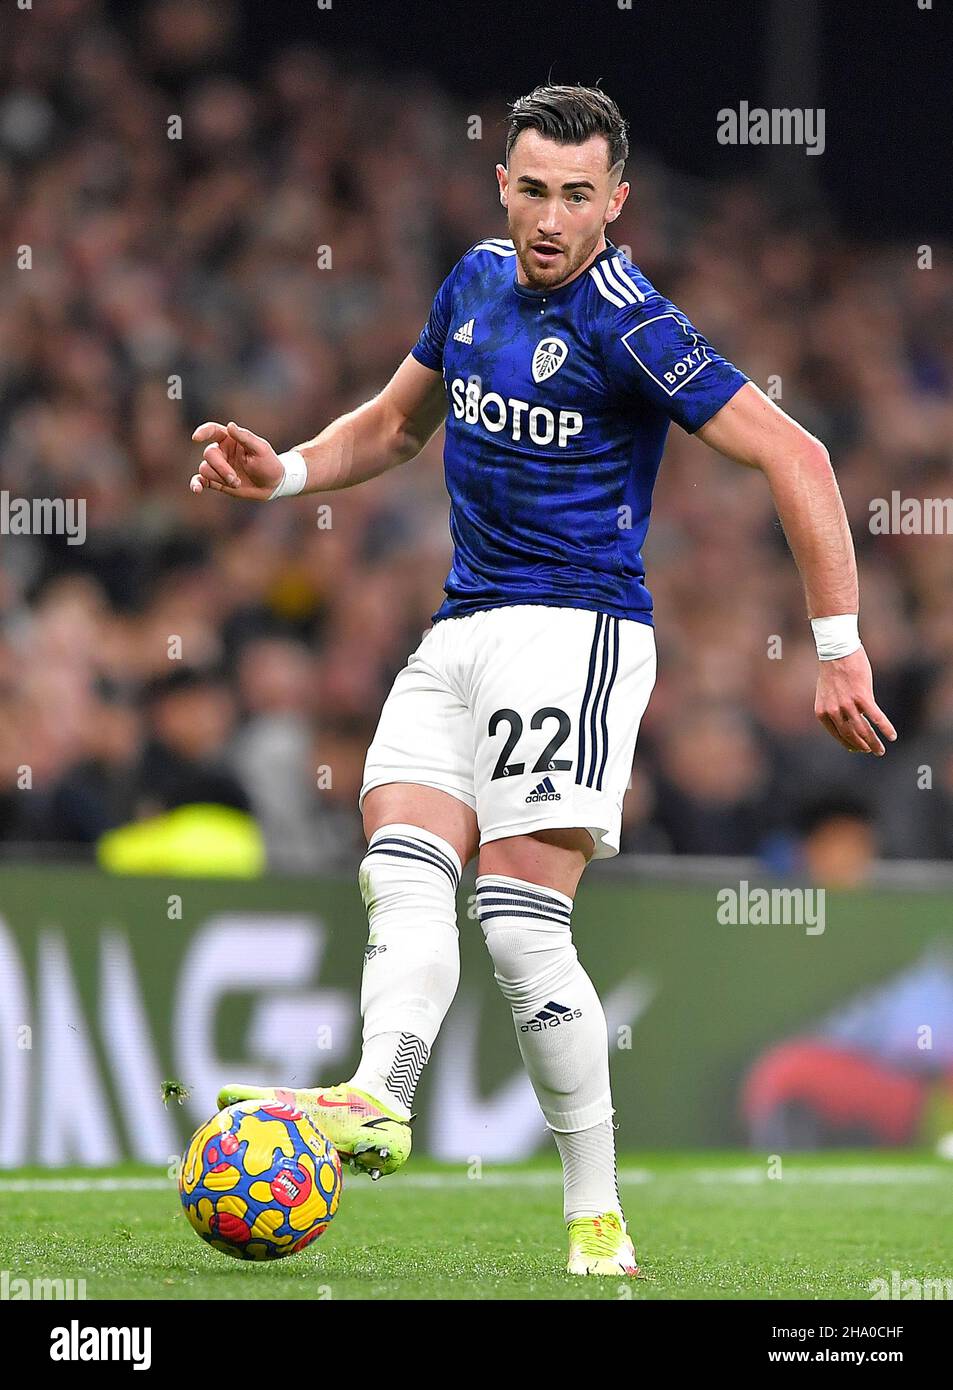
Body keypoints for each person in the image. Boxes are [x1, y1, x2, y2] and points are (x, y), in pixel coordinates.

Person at [188, 83, 896, 1276]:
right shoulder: (469, 281)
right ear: (500, 187)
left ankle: (594, 1218)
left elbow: (797, 453)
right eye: (533, 189)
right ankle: (378, 1093)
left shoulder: (632, 326)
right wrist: (288, 472)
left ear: (615, 202)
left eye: (578, 195)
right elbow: (399, 427)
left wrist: (834, 645)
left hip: (575, 630)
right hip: (460, 624)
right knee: (399, 862)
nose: (551, 217)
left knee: (519, 926)